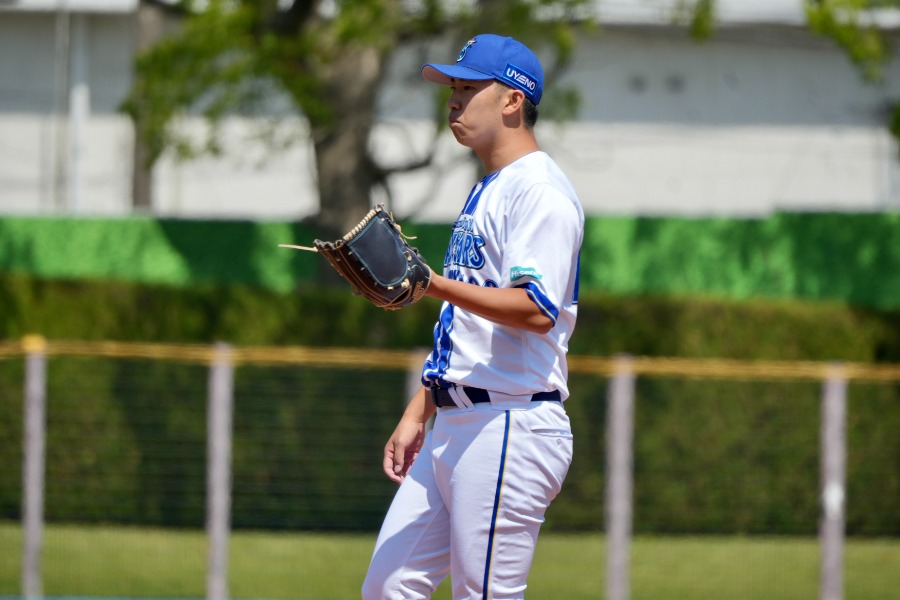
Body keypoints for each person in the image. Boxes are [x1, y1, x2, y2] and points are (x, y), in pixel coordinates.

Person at [361, 33, 584, 600]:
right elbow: (471, 329)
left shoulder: (539, 191)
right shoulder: (490, 188)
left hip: (510, 423)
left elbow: (536, 310)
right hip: (457, 421)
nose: (452, 101)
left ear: (512, 101)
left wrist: (433, 284)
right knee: (389, 587)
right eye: (451, 89)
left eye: (467, 87)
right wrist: (421, 408)